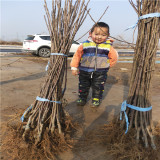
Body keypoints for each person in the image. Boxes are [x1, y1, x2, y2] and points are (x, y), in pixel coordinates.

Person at [70, 22, 118, 108]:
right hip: (84, 70)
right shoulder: (84, 44)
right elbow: (77, 56)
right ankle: (82, 98)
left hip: (100, 72)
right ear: (90, 33)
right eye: (96, 34)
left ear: (108, 35)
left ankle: (96, 99)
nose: (99, 37)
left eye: (103, 35)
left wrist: (107, 65)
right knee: (83, 85)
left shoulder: (108, 46)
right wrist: (74, 67)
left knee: (98, 86)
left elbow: (114, 57)